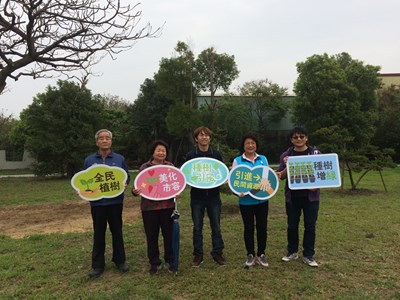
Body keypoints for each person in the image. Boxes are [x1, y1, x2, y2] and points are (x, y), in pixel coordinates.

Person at [84, 129, 130, 278]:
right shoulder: (89, 160)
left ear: (111, 141)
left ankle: (120, 260)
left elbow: (126, 176)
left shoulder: (119, 159)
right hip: (97, 204)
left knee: (117, 231)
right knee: (99, 233)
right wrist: (83, 190)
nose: (104, 140)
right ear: (97, 142)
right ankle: (97, 265)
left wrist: (125, 183)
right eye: (101, 138)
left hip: (115, 202)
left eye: (107, 138)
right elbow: (84, 180)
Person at [278, 127, 321, 267]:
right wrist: (286, 166)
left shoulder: (315, 153)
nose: (299, 139)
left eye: (301, 136)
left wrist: (317, 185)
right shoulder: (287, 154)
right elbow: (281, 176)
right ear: (291, 140)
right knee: (292, 225)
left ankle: (308, 255)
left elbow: (323, 173)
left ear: (306, 138)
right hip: (293, 197)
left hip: (311, 197)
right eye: (295, 137)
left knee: (310, 226)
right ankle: (292, 252)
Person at [131, 140, 175, 275]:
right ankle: (154, 263)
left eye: (163, 151)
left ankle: (170, 261)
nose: (161, 153)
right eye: (158, 150)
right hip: (149, 208)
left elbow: (176, 183)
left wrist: (177, 192)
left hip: (167, 207)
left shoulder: (170, 167)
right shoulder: (145, 167)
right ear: (153, 152)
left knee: (169, 235)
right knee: (152, 236)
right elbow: (137, 186)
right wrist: (135, 191)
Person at [185, 126, 225, 267]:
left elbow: (221, 173)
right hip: (197, 197)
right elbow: (187, 175)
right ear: (196, 138)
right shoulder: (191, 155)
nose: (204, 137)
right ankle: (198, 255)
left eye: (206, 135)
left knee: (216, 226)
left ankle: (217, 253)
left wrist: (224, 179)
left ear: (210, 138)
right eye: (201, 135)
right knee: (197, 227)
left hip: (214, 196)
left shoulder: (216, 154)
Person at [232, 132, 270, 268]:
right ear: (243, 146)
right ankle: (250, 254)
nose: (250, 145)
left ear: (256, 145)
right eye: (247, 143)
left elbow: (267, 177)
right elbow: (234, 181)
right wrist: (238, 192)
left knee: (262, 227)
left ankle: (261, 254)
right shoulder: (238, 161)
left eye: (253, 143)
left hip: (262, 201)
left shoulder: (263, 159)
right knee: (248, 228)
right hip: (246, 202)